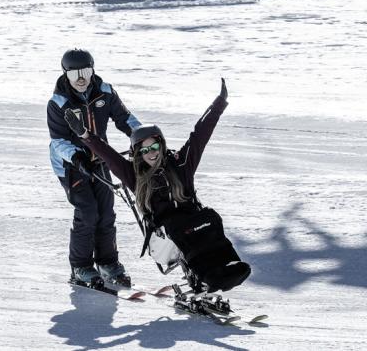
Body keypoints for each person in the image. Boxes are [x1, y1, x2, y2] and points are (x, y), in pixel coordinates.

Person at [64, 78, 251, 293]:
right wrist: (84, 135)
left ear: (161, 144)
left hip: (191, 225)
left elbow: (200, 135)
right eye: (143, 151)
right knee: (184, 230)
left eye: (153, 146)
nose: (151, 153)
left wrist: (219, 103)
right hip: (163, 238)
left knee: (210, 219)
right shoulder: (134, 175)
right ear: (137, 155)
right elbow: (108, 155)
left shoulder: (180, 164)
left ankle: (228, 266)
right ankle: (208, 277)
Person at [47, 48, 142, 288]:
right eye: (74, 73)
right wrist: (77, 158)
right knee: (88, 212)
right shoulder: (59, 102)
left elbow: (125, 118)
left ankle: (108, 263)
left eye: (86, 71)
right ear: (66, 74)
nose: (81, 78)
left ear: (93, 70)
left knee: (106, 211)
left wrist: (142, 139)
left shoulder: (105, 92)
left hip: (100, 158)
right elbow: (58, 142)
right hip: (71, 165)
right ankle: (80, 267)